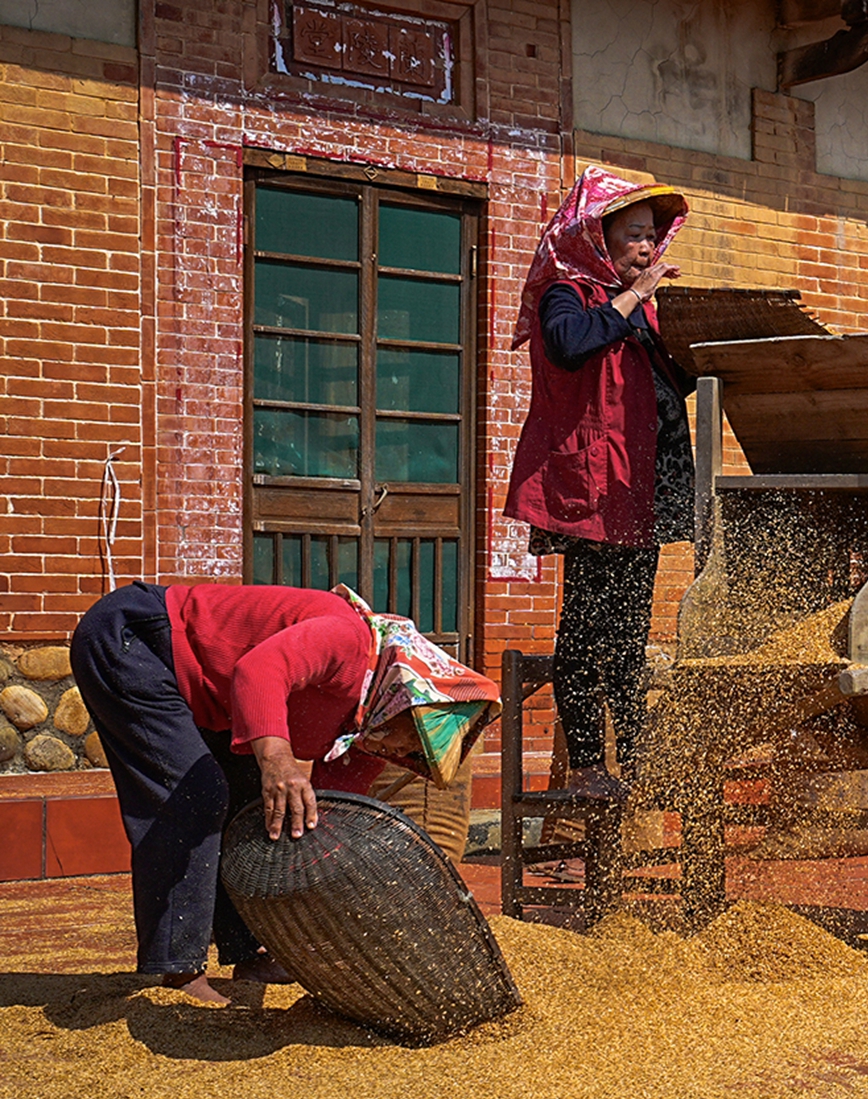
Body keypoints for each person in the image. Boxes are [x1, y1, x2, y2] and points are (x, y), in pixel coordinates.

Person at [70, 583, 497, 1006]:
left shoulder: (364, 736)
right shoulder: (347, 640)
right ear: (403, 701)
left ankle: (249, 950)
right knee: (195, 796)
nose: (400, 753)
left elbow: (324, 830)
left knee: (259, 810)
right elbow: (257, 671)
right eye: (410, 740)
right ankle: (177, 967)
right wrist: (276, 758)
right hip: (136, 639)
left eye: (411, 754)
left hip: (203, 696)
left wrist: (335, 917)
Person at [506, 167, 694, 798]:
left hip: (635, 491)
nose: (648, 248)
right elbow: (568, 344)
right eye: (634, 235)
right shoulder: (571, 293)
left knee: (631, 630)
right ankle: (587, 762)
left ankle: (637, 762)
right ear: (596, 239)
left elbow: (673, 383)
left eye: (652, 236)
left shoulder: (638, 311)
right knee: (587, 624)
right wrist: (634, 296)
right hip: (589, 488)